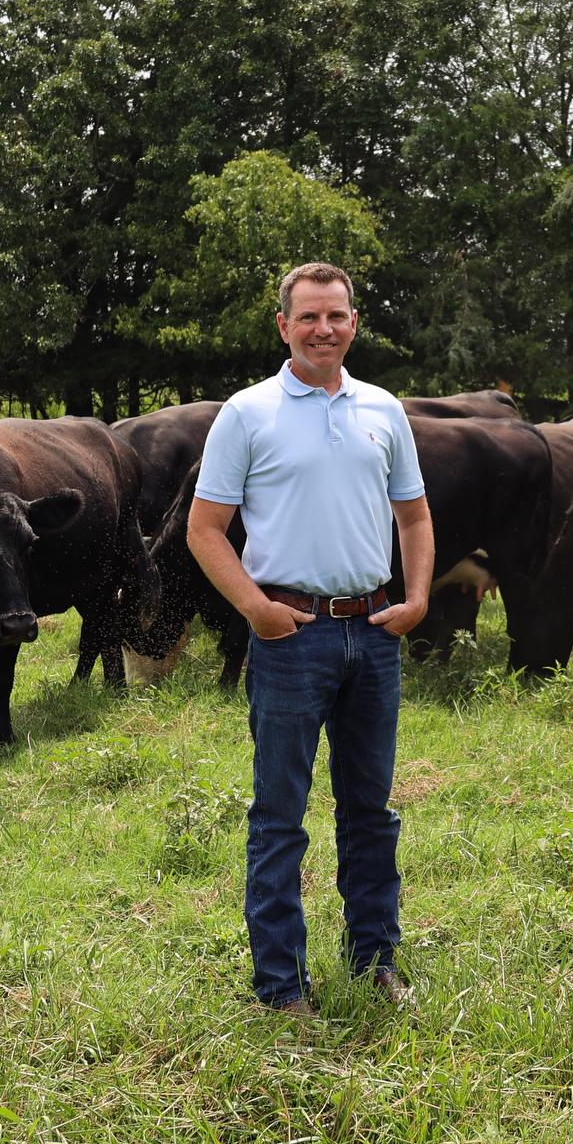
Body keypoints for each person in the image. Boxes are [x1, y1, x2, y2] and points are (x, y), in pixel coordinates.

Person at [186, 263, 433, 1016]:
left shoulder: (383, 410)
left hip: (374, 632)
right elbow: (204, 530)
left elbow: (415, 517)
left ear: (355, 322)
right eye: (309, 317)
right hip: (289, 635)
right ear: (283, 326)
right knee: (279, 816)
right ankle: (282, 986)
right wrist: (255, 607)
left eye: (337, 315)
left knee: (370, 811)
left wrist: (418, 597)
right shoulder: (247, 413)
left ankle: (376, 962)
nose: (323, 328)